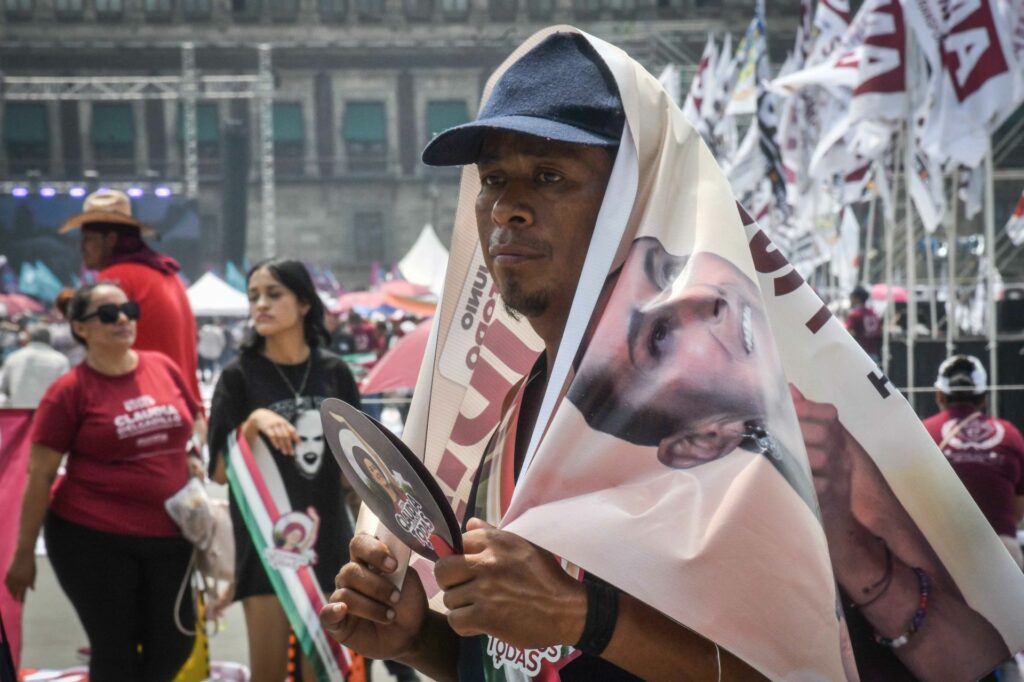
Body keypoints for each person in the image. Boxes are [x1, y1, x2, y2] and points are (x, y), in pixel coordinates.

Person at [321, 32, 762, 681]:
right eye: (493, 178)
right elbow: (521, 658)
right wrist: (419, 641)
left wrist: (581, 616)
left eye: (549, 176)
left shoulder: (713, 417)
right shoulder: (513, 407)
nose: (507, 207)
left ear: (631, 203)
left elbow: (795, 667)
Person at [568, 236, 1010, 679]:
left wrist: (845, 539)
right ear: (699, 442)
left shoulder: (824, 451)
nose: (702, 298)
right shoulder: (662, 563)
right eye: (660, 337)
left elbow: (974, 663)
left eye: (671, 271)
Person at [4, 282, 204, 680]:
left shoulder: (162, 366)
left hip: (172, 534)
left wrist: (193, 457)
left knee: (176, 641)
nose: (124, 320)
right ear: (81, 328)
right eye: (109, 315)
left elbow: (194, 419)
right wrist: (24, 554)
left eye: (129, 309)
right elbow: (40, 475)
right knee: (116, 652)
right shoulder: (68, 392)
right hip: (90, 538)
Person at [207, 258, 361, 682]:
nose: (261, 304)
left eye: (274, 294)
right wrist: (253, 422)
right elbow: (219, 473)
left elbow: (355, 467)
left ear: (305, 303)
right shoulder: (238, 377)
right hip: (266, 547)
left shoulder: (335, 372)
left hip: (329, 541)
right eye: (254, 295)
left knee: (324, 673)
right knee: (269, 674)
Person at [60, 189, 201, 405]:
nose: (81, 247)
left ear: (111, 239)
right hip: (180, 404)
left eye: (88, 239)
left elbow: (99, 353)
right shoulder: (168, 274)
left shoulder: (113, 280)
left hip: (143, 407)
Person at [923, 355, 1024, 569]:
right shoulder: (1011, 434)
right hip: (1002, 553)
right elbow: (1017, 510)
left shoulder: (923, 432)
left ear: (939, 395)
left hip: (942, 552)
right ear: (983, 398)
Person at [0, 323, 69, 407]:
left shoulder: (13, 358)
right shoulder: (60, 360)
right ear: (49, 339)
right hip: (49, 414)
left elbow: (3, 388)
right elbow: (66, 391)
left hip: (19, 415)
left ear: (29, 338)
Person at [845, 285, 881, 362]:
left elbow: (846, 332)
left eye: (852, 297)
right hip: (873, 352)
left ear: (857, 298)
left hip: (860, 355)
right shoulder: (872, 312)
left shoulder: (855, 314)